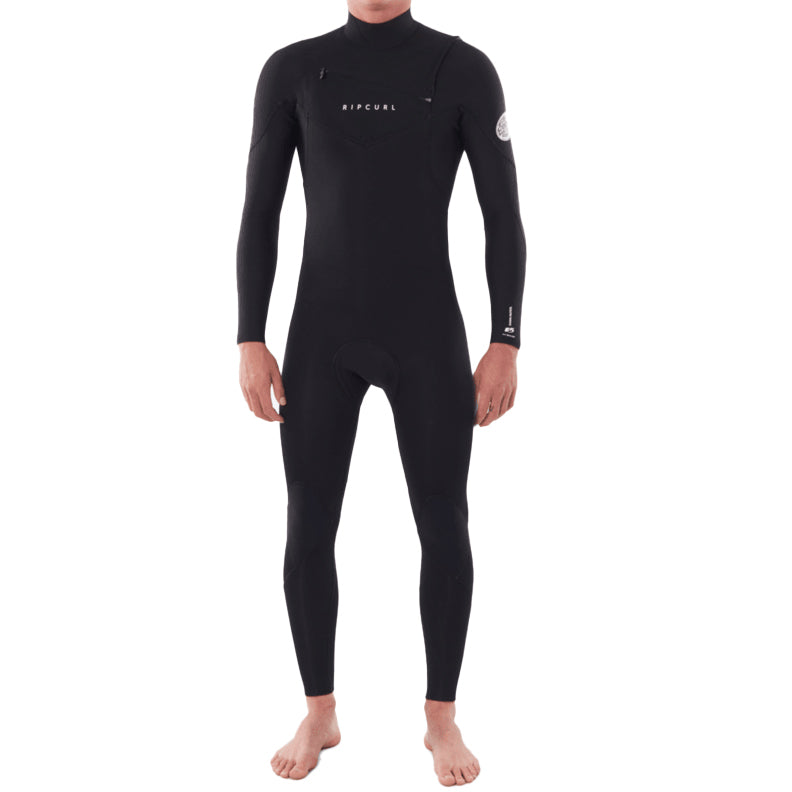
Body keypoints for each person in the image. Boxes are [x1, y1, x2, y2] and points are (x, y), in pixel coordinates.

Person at [236, 0, 525, 784]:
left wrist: (505, 339)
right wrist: (250, 335)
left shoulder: (463, 68)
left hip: (425, 334)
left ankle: (441, 720)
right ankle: (319, 711)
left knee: (443, 521)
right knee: (308, 521)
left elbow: (502, 213)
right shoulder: (293, 69)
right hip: (319, 334)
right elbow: (261, 208)